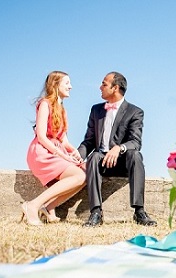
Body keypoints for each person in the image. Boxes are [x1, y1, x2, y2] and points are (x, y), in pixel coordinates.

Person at [77, 71, 157, 227]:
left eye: (104, 84)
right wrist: (76, 156)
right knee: (93, 157)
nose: (100, 87)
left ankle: (139, 211)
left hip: (122, 162)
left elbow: (135, 142)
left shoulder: (135, 112)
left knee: (136, 155)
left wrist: (119, 148)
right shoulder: (96, 110)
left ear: (115, 88)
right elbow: (89, 141)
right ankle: (96, 212)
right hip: (101, 161)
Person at [22, 71, 86, 226]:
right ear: (56, 85)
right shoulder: (45, 104)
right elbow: (42, 136)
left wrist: (74, 152)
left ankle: (48, 206)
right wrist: (63, 156)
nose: (70, 86)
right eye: (67, 83)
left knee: (85, 174)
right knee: (79, 175)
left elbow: (63, 140)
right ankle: (32, 205)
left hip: (57, 151)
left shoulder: (62, 109)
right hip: (42, 152)